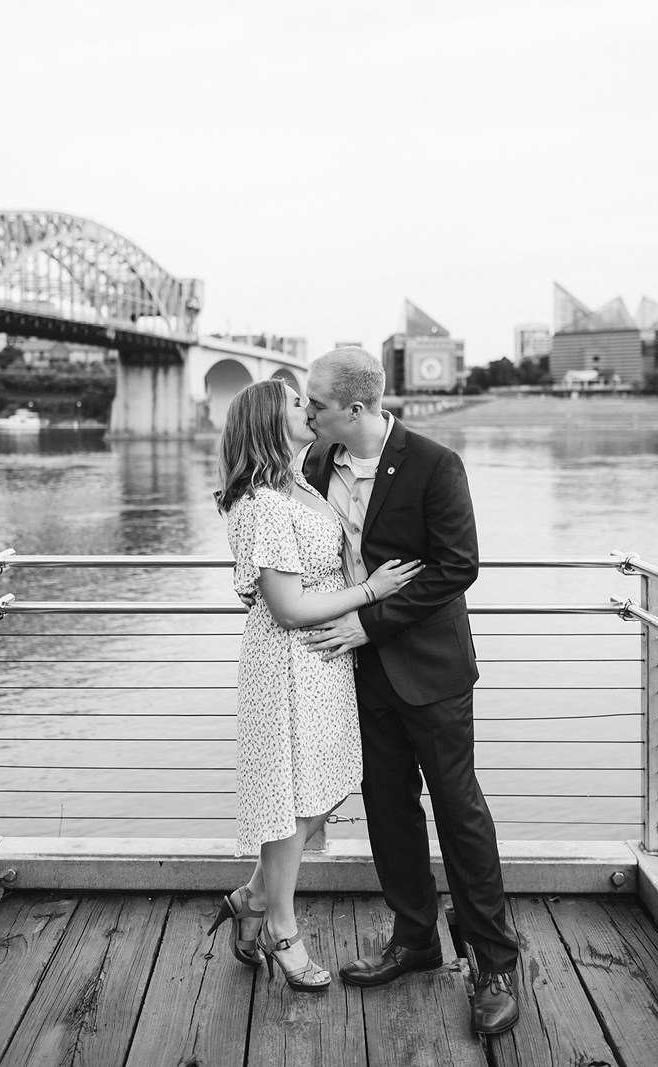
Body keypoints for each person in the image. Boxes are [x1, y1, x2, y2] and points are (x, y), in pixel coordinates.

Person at [297, 347, 521, 1034]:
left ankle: (493, 962)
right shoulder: (313, 464)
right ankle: (415, 937)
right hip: (356, 675)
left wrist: (368, 623)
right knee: (387, 806)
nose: (306, 411)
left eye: (316, 402)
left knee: (459, 809)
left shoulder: (434, 463)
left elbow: (458, 566)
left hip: (430, 670)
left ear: (356, 408)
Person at [208, 379, 421, 992]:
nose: (309, 410)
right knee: (292, 799)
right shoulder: (264, 504)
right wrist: (372, 593)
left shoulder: (303, 484)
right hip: (288, 664)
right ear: (270, 425)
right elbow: (288, 608)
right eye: (296, 405)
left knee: (325, 788)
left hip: (325, 663)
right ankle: (280, 925)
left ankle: (251, 896)